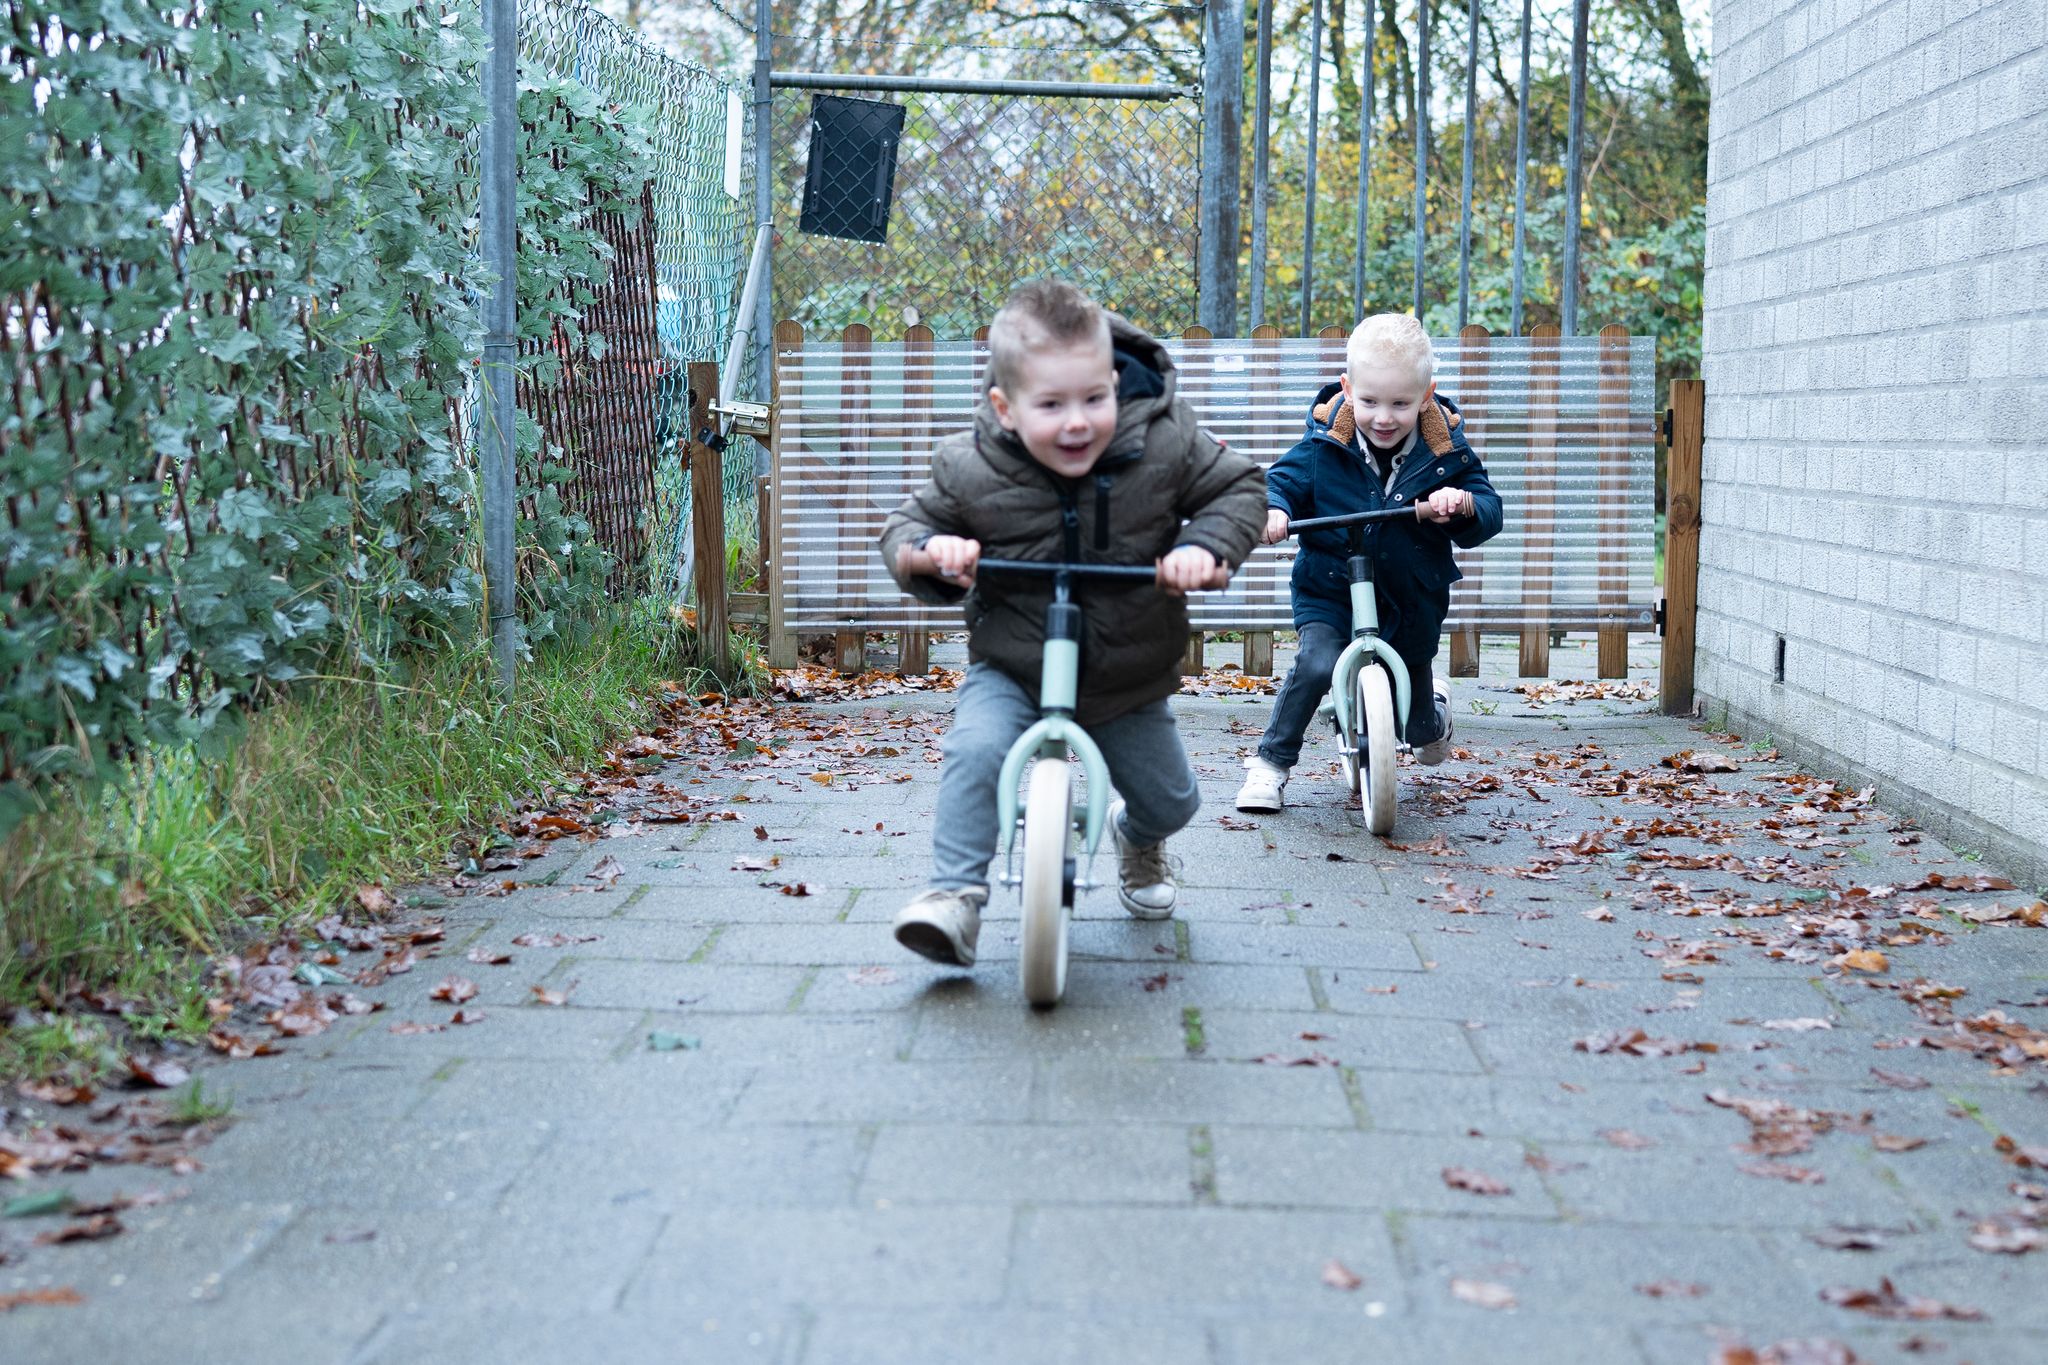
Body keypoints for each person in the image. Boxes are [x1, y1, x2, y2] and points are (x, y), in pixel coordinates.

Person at [879, 279, 1265, 966]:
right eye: (1051, 405)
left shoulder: (1165, 437)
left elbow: (1236, 486)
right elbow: (910, 527)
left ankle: (1136, 837)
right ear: (1005, 407)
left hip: (1128, 672)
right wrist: (936, 554)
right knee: (974, 751)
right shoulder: (969, 464)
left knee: (1173, 801)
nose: (1078, 422)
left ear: (1116, 379)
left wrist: (1202, 546)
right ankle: (954, 897)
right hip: (1014, 661)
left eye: (1094, 397)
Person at [1235, 312, 1503, 813]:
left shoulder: (1444, 451)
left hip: (1410, 597)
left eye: (1401, 403)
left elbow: (1488, 508)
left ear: (1426, 396)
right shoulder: (1324, 447)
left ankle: (1433, 709)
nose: (1384, 417)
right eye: (1370, 401)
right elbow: (1281, 482)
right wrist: (1274, 510)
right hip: (1331, 589)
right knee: (1315, 664)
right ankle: (1271, 764)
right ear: (1347, 387)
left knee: (1424, 737)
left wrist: (1461, 505)